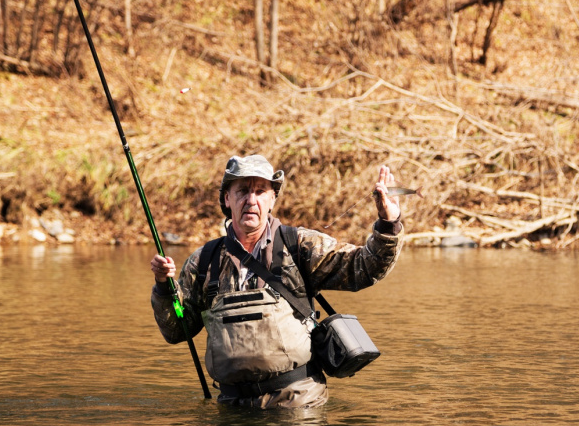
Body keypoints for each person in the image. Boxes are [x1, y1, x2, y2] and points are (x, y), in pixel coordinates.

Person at [150, 154, 404, 409]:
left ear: (272, 199)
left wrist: (388, 224)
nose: (251, 200)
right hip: (232, 407)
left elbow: (364, 268)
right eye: (242, 191)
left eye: (260, 191)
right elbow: (177, 329)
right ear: (227, 198)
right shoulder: (203, 261)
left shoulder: (299, 245)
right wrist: (164, 286)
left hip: (297, 403)